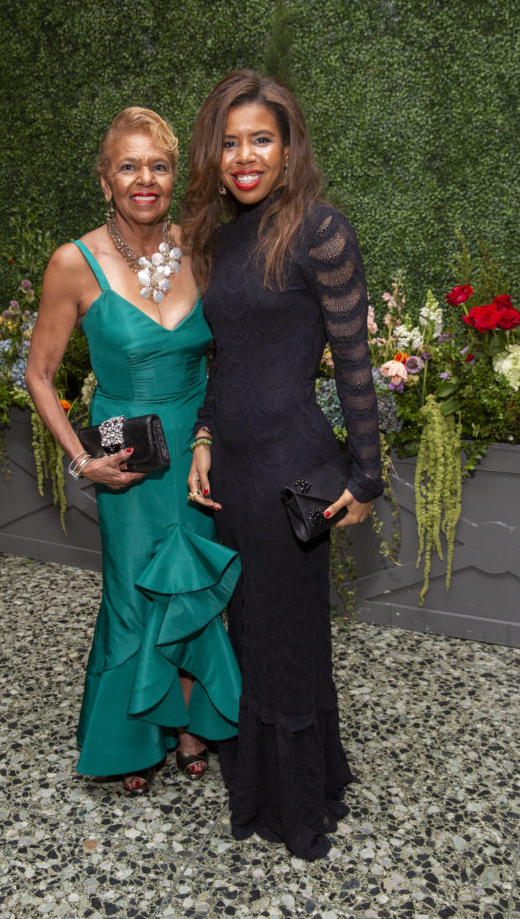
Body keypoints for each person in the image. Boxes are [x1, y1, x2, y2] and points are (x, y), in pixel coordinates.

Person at [183, 71, 383, 859]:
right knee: (249, 637)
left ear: (288, 144)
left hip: (293, 473)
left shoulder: (321, 231)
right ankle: (274, 779)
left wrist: (362, 478)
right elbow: (223, 361)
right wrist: (201, 438)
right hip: (230, 473)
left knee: (288, 639)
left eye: (260, 139)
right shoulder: (218, 236)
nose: (244, 156)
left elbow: (354, 362)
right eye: (229, 142)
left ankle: (297, 805)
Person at [25, 107, 241, 794]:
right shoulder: (73, 262)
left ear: (175, 175)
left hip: (199, 446)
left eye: (158, 165)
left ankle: (187, 724)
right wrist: (82, 461)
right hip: (128, 459)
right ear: (104, 179)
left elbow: (234, 354)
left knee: (198, 584)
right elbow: (38, 373)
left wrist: (213, 435)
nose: (143, 179)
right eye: (128, 165)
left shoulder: (203, 249)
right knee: (132, 592)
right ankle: (130, 740)